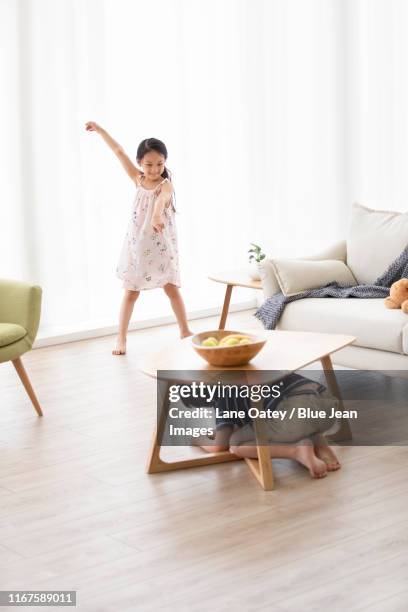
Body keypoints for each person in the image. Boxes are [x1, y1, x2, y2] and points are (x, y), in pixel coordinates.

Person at [85, 123, 192, 354]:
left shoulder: (166, 185)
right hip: (137, 244)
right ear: (139, 163)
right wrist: (101, 130)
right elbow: (118, 151)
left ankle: (185, 331)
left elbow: (162, 201)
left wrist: (156, 215)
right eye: (149, 164)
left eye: (160, 164)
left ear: (165, 162)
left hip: (161, 245)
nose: (155, 169)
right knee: (131, 292)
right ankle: (121, 339)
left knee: (171, 287)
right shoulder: (137, 179)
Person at [197, 374, 341, 479]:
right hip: (326, 405)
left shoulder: (224, 396)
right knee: (279, 424)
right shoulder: (254, 370)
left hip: (294, 415)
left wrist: (197, 440)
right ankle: (319, 442)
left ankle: (296, 451)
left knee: (235, 444)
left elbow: (220, 446)